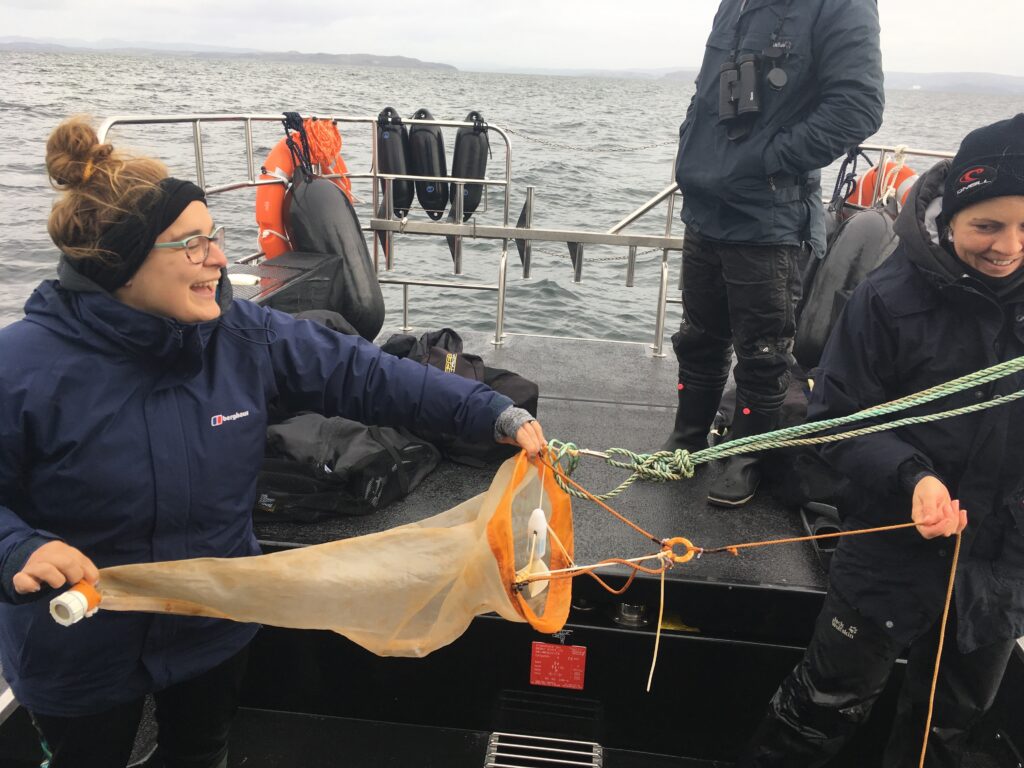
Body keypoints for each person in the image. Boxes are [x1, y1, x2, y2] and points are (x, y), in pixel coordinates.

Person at [0, 117, 547, 768]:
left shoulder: (241, 335)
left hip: (213, 622)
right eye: (191, 244)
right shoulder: (21, 370)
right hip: (75, 641)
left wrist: (488, 410)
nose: (218, 259)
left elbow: (364, 374)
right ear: (122, 262)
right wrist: (17, 548)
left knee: (201, 752)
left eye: (215, 236)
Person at [740, 114, 1024, 766]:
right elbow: (837, 419)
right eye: (987, 225)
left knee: (950, 726)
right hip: (891, 544)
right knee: (821, 708)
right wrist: (913, 477)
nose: (1008, 246)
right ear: (952, 216)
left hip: (1001, 560)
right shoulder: (886, 299)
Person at [665, 0, 885, 506]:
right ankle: (687, 436)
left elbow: (858, 107)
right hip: (706, 204)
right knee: (698, 337)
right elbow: (709, 93)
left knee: (763, 353)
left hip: (768, 218)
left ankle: (746, 457)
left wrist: (769, 158)